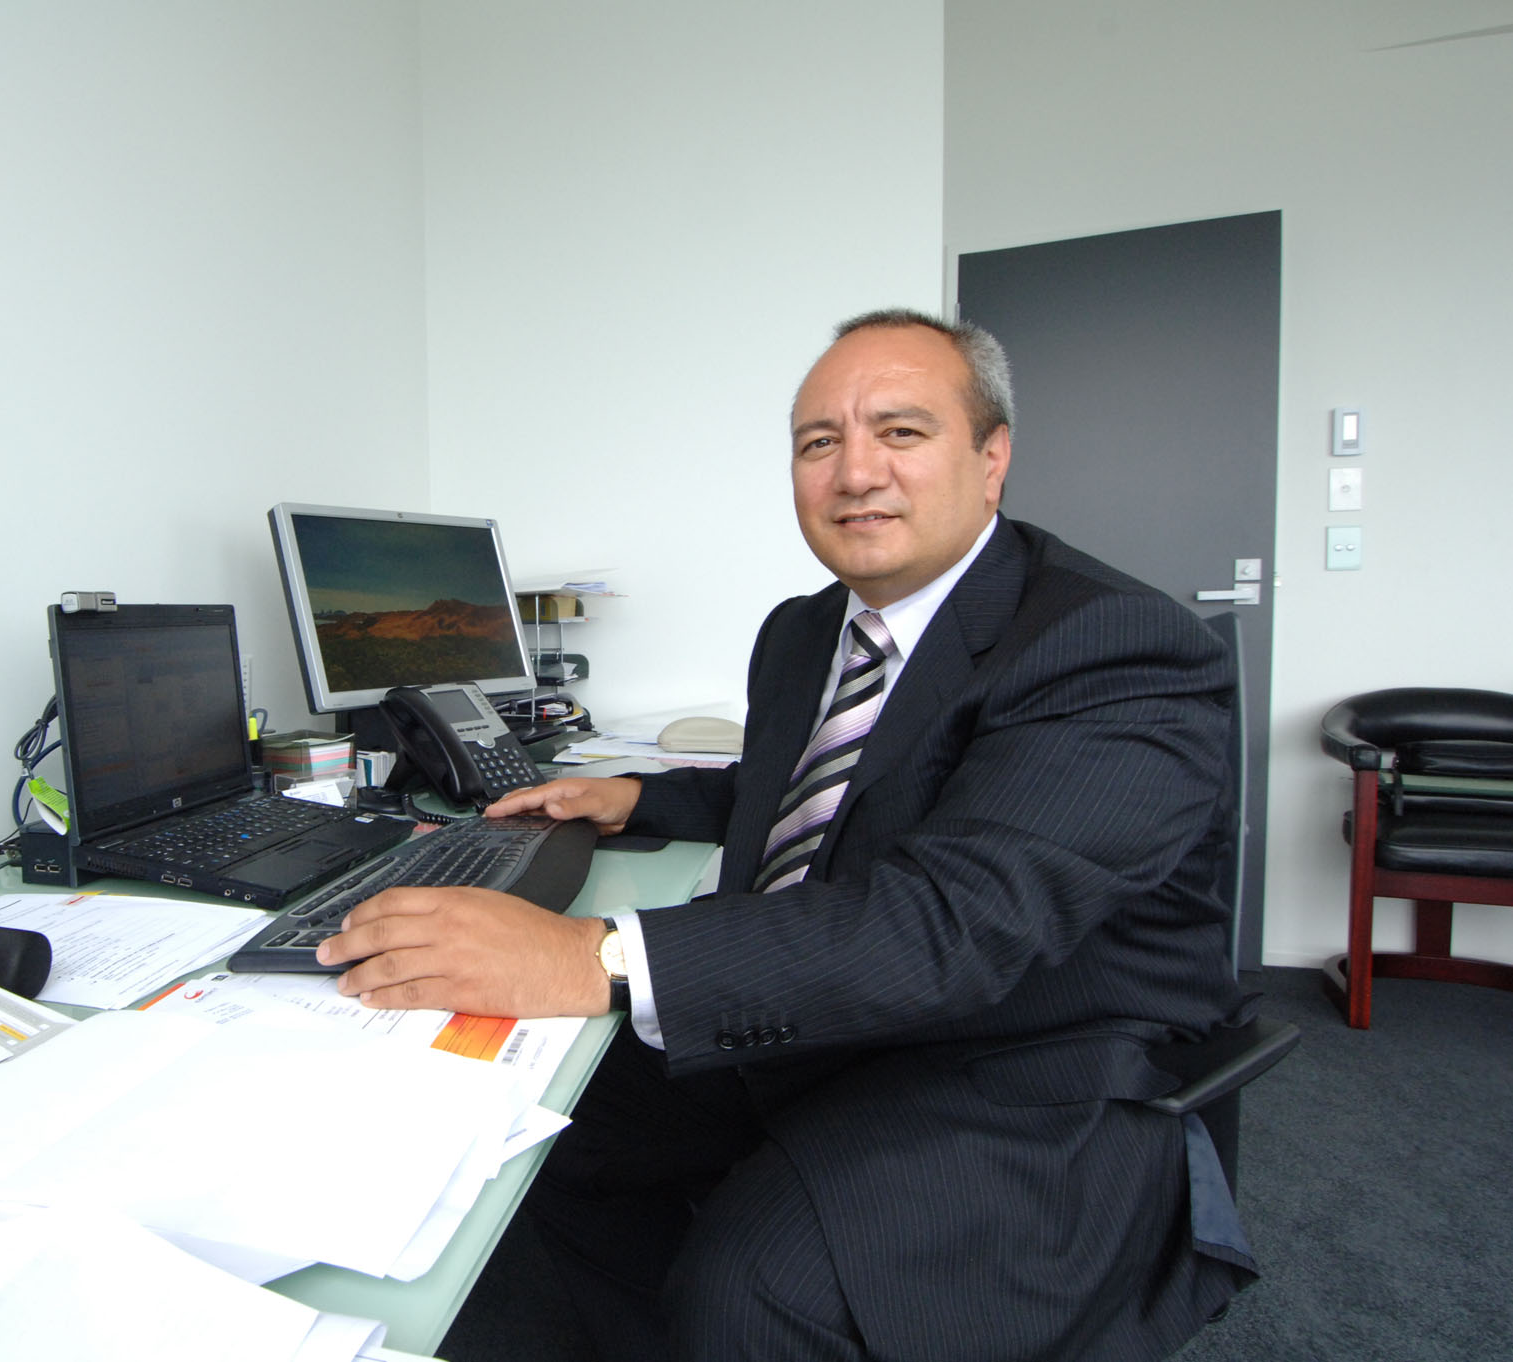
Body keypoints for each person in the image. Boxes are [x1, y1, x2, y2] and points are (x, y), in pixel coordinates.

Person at [315, 309, 1253, 1361]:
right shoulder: (806, 631)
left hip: (1023, 1058)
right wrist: (637, 798)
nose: (855, 473)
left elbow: (956, 923)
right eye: (819, 442)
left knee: (754, 1293)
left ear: (991, 460)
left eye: (901, 432)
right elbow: (823, 791)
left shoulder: (1109, 644)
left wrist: (593, 954)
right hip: (833, 1011)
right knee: (526, 1131)